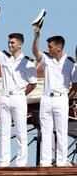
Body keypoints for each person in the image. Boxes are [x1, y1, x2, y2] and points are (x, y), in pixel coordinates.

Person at [0, 22, 37, 167]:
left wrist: (22, 93)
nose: (9, 45)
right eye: (8, 42)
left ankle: (21, 162)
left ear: (20, 44)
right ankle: (4, 161)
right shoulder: (4, 57)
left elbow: (33, 83)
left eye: (12, 42)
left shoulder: (28, 63)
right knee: (4, 131)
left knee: (21, 130)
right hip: (4, 96)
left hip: (18, 97)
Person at [33, 28, 77, 166]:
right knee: (45, 130)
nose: (48, 48)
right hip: (46, 97)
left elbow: (75, 86)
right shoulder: (47, 59)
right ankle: (45, 161)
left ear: (59, 47)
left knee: (61, 130)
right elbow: (36, 53)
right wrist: (37, 37)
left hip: (61, 98)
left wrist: (66, 98)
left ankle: (61, 161)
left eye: (50, 46)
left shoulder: (70, 63)